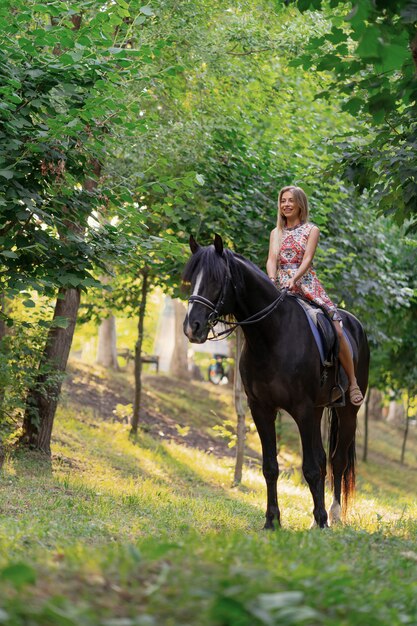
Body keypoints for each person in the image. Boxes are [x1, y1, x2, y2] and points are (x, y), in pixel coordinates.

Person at [266, 185, 363, 406]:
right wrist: (272, 279)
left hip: (306, 284)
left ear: (300, 204)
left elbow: (307, 259)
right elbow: (272, 259)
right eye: (283, 201)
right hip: (279, 285)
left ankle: (353, 381)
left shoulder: (311, 230)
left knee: (337, 329)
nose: (286, 205)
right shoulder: (276, 233)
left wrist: (295, 279)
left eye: (291, 200)